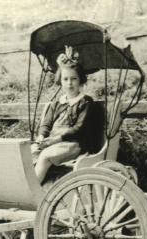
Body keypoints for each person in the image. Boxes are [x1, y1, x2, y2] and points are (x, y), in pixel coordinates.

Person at [33, 45, 96, 183]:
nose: (69, 83)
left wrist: (55, 140)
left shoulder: (85, 102)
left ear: (80, 80)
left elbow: (79, 129)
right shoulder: (57, 103)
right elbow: (46, 123)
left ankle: (33, 191)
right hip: (52, 142)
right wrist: (41, 136)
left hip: (73, 145)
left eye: (73, 79)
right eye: (65, 79)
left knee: (44, 156)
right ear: (60, 81)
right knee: (30, 152)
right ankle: (35, 185)